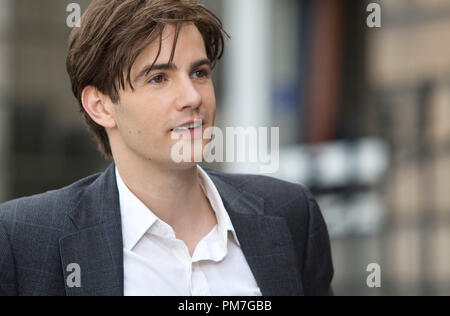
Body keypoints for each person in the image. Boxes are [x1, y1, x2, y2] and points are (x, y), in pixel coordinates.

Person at [0, 0, 333, 296]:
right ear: (100, 106)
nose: (193, 97)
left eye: (199, 73)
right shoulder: (26, 239)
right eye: (159, 78)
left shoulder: (289, 213)